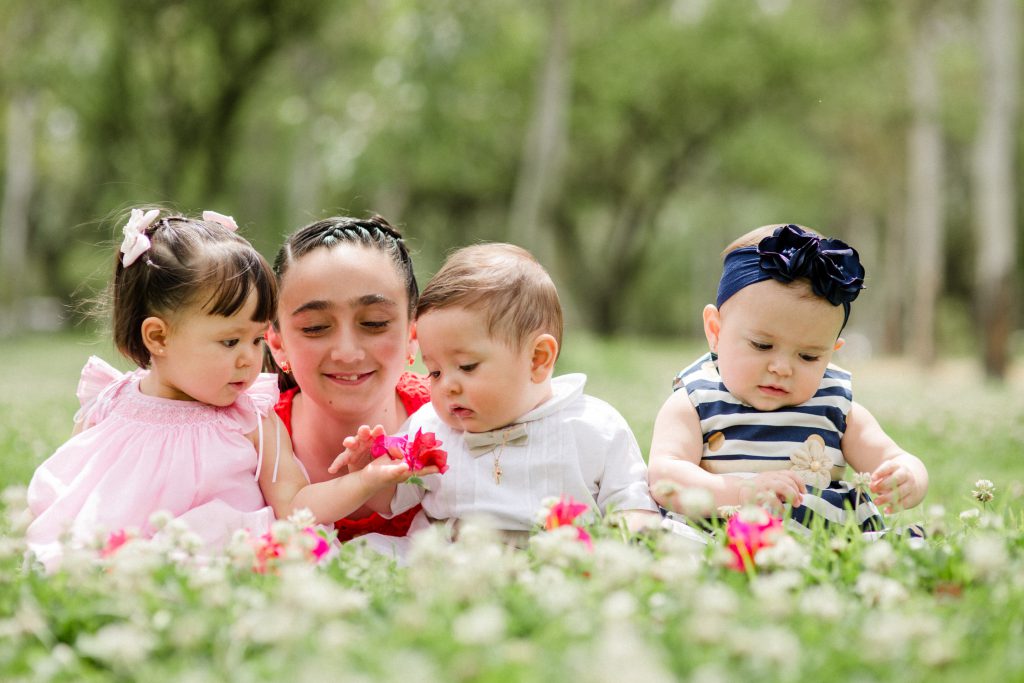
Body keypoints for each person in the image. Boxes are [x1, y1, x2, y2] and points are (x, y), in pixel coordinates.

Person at [26, 208, 416, 570]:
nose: (250, 359)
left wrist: (364, 480)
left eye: (255, 339)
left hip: (222, 555)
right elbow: (66, 485)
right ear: (158, 336)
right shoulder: (108, 400)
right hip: (120, 555)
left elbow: (294, 506)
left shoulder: (253, 416)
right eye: (231, 342)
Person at [336, 243, 659, 545]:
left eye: (467, 366)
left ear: (538, 359)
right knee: (368, 549)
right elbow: (391, 502)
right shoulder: (430, 427)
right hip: (451, 557)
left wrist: (623, 544)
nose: (447, 385)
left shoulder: (593, 425)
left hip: (556, 555)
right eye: (434, 371)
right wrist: (369, 475)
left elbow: (631, 506)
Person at [648, 224, 929, 532]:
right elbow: (665, 475)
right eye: (762, 345)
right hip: (722, 542)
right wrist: (740, 491)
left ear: (832, 353)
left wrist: (908, 476)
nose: (782, 368)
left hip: (828, 546)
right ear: (715, 332)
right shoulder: (696, 402)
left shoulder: (835, 407)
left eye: (809, 356)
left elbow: (891, 456)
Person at [264, 215, 432, 542]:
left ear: (413, 333)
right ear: (277, 343)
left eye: (373, 323)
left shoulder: (456, 416)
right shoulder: (250, 437)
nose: (347, 353)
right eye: (315, 327)